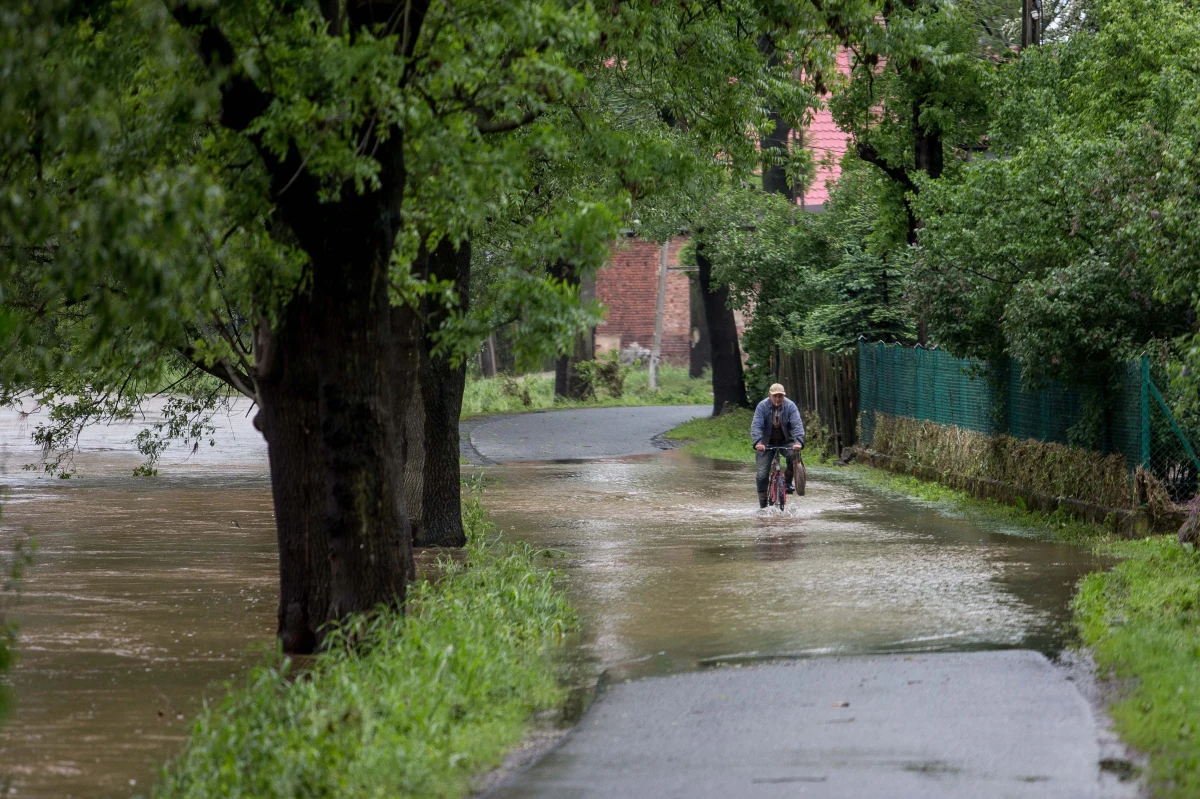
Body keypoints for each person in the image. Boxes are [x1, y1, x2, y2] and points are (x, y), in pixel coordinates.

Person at [750, 383, 805, 508]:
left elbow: (797, 424)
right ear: (769, 395)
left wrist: (798, 442)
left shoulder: (790, 406)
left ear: (784, 396)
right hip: (765, 443)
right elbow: (756, 426)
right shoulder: (762, 406)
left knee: (793, 456)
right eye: (775, 396)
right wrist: (758, 442)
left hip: (786, 440)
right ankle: (763, 504)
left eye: (780, 396)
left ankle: (787, 482)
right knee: (762, 474)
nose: (777, 399)